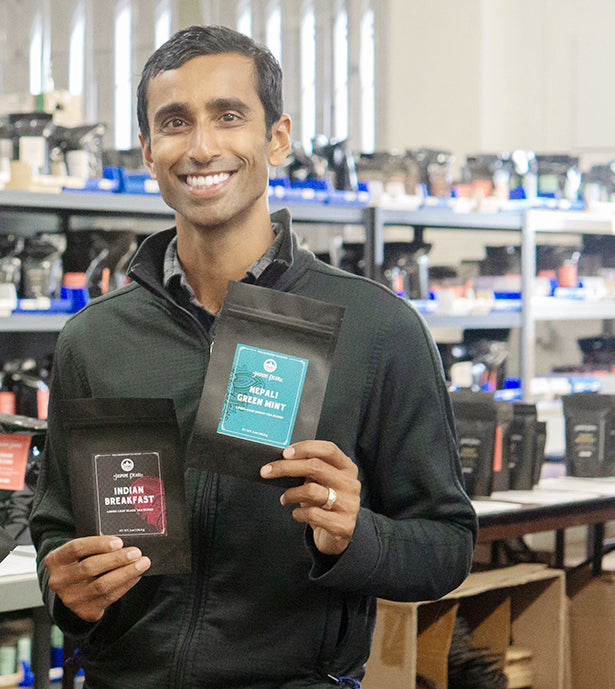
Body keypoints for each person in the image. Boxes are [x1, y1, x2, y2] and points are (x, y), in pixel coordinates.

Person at [30, 25, 478, 687]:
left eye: (229, 116)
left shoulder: (378, 327)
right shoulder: (94, 339)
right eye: (175, 122)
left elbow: (446, 544)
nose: (202, 146)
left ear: (277, 138)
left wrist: (352, 534)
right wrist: (64, 587)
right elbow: (57, 527)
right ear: (150, 152)